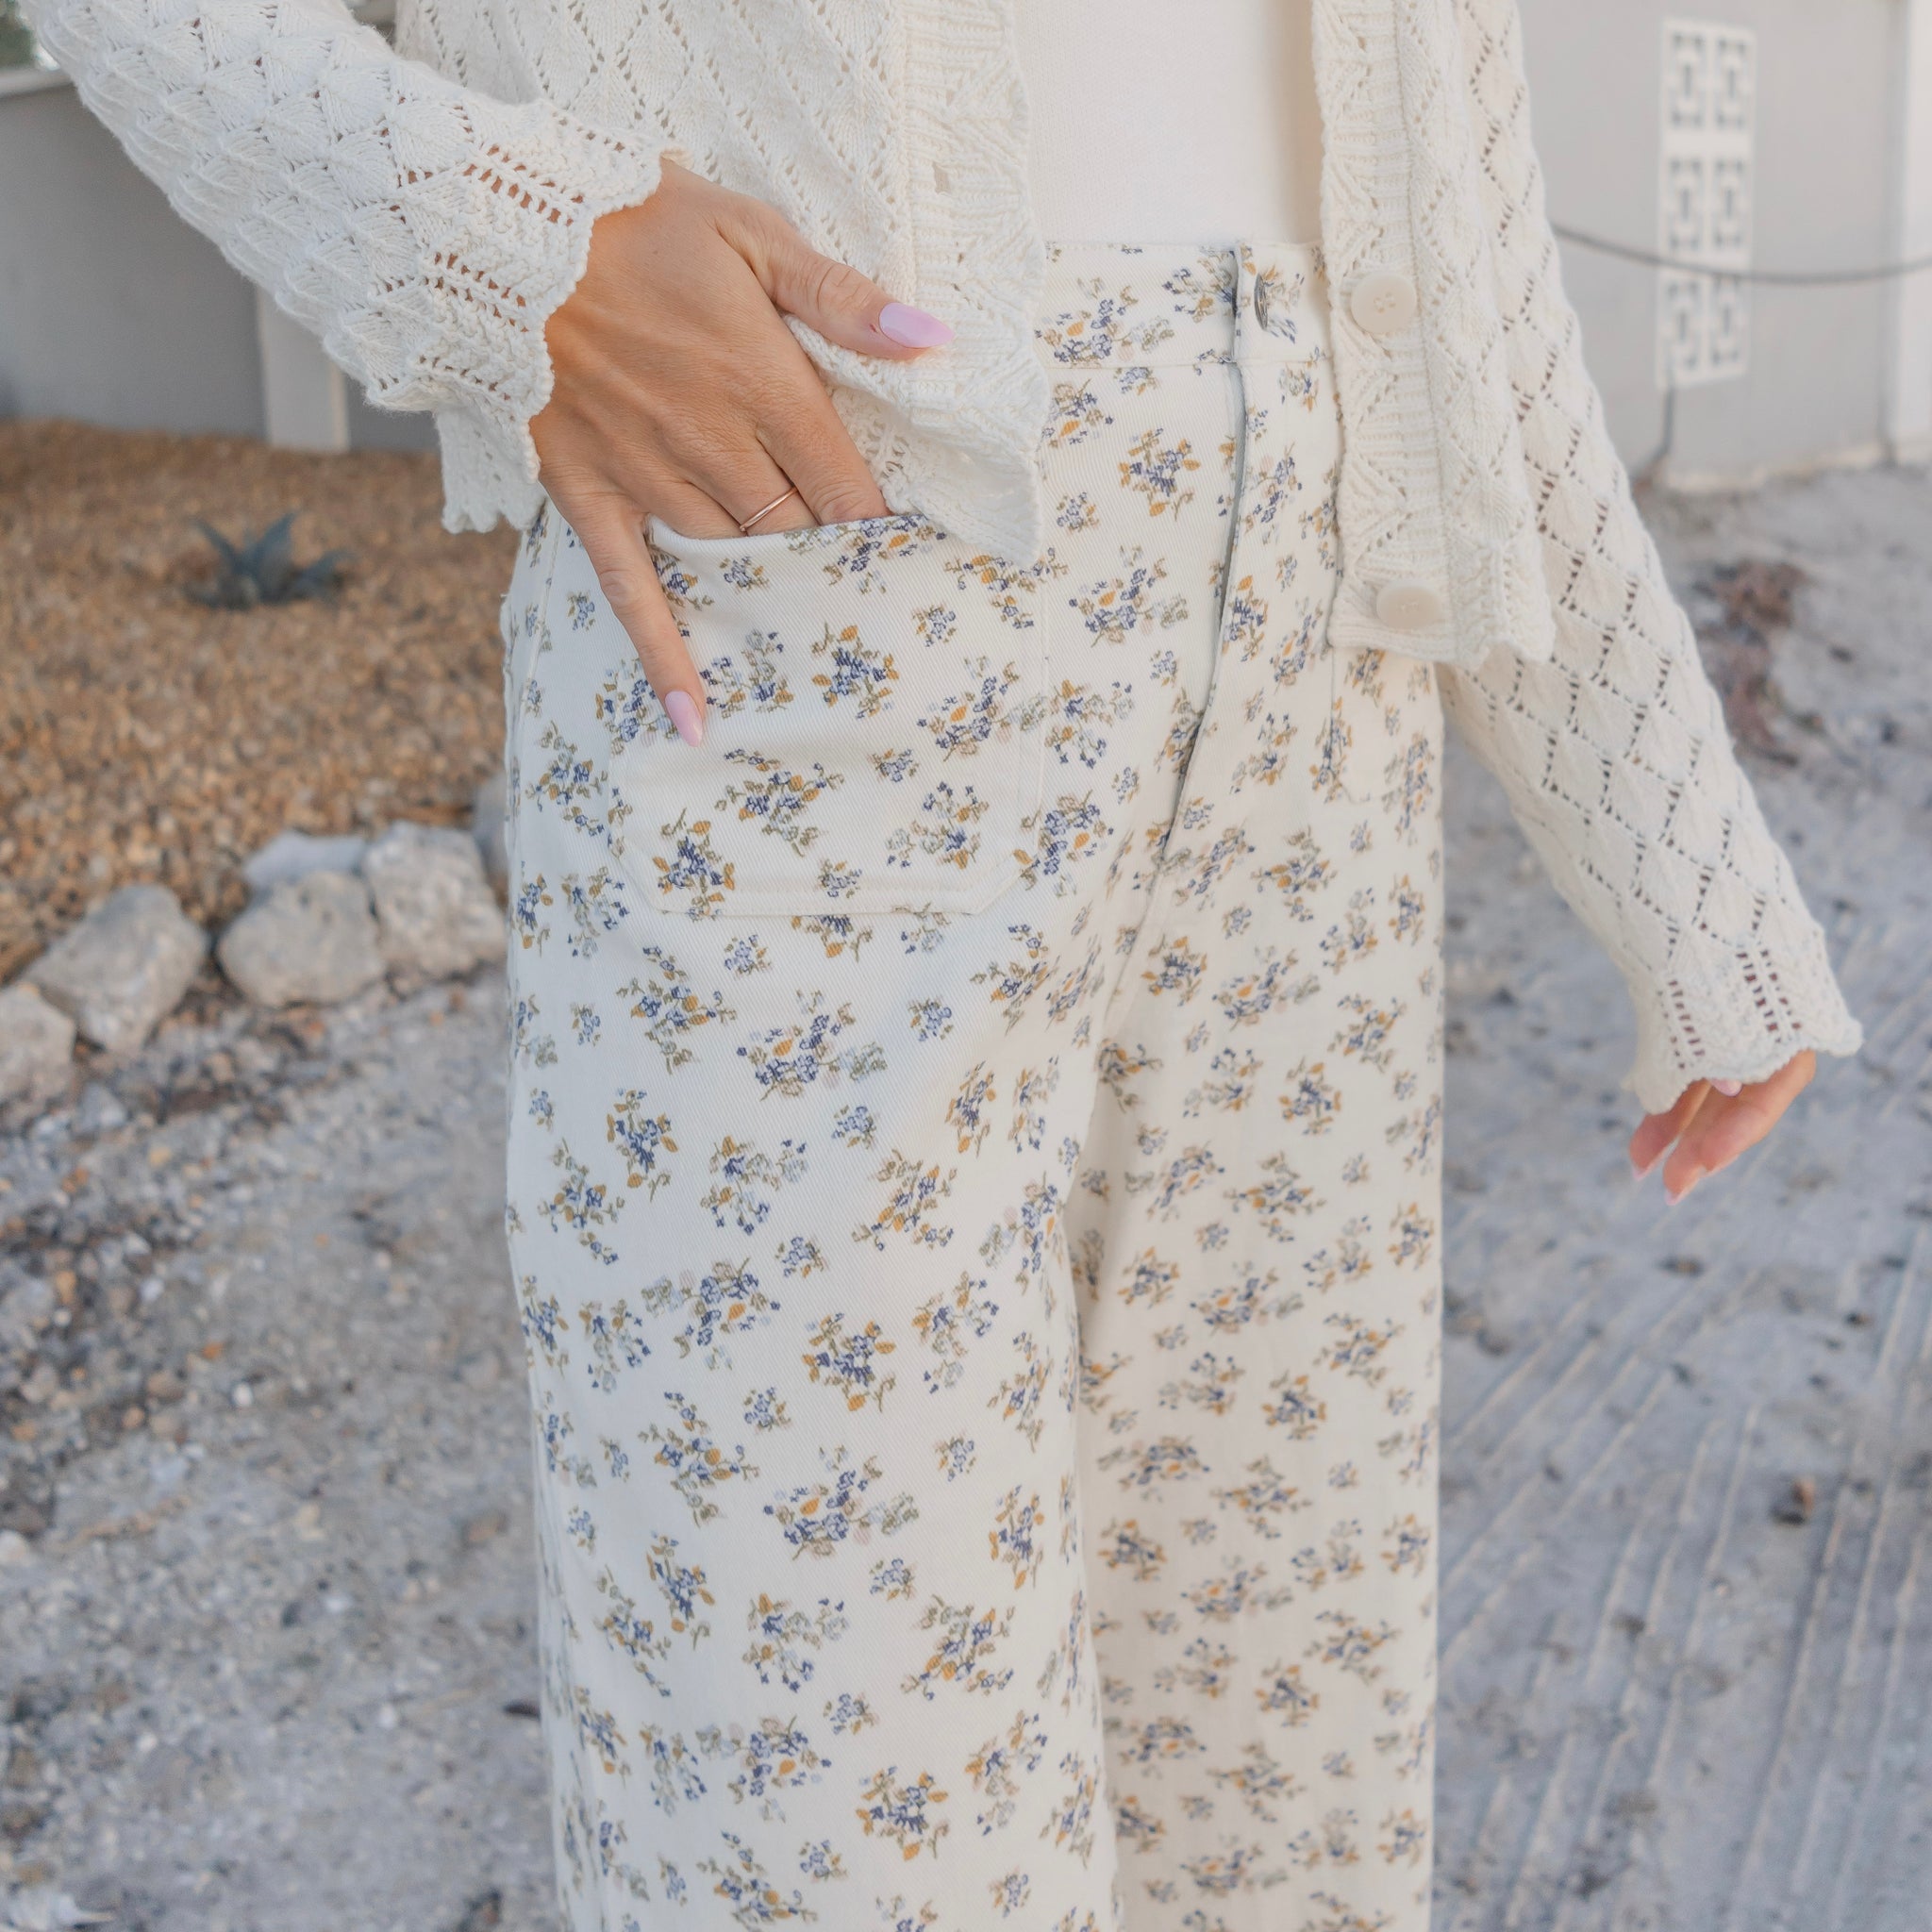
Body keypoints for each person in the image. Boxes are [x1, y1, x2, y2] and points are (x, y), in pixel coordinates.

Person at [25, 0, 1864, 1926]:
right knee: (827, 1812)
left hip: (1315, 713)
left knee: (1268, 1787)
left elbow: (1457, 233)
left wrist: (1682, 852)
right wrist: (501, 238)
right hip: (800, 620)